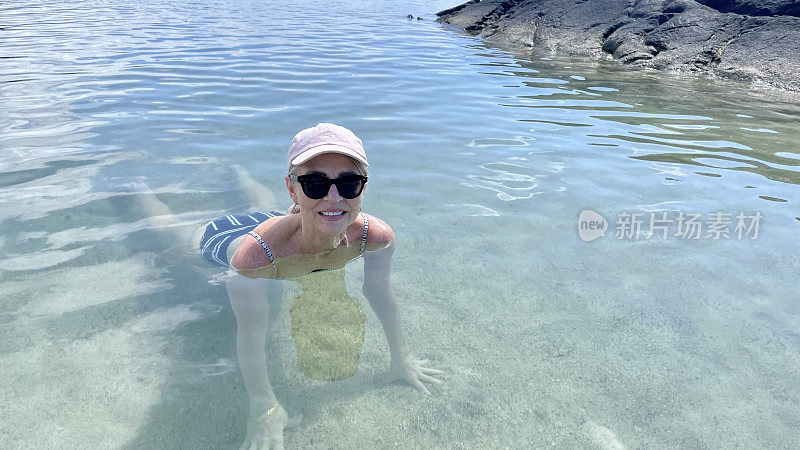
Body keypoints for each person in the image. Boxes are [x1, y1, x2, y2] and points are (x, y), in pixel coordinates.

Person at [198, 123, 443, 449]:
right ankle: (143, 191)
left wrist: (401, 357)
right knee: (172, 237)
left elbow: (381, 295)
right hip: (223, 239)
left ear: (364, 187)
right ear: (293, 189)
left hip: (289, 219)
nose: (333, 196)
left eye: (348, 182)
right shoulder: (253, 260)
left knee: (264, 206)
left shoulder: (375, 237)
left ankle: (236, 173)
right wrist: (264, 405)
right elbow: (251, 334)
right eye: (314, 183)